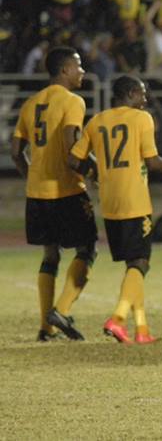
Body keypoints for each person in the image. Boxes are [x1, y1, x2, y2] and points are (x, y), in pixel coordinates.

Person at [68, 76, 162, 344]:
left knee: (132, 265)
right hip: (135, 201)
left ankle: (142, 329)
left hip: (110, 203)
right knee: (140, 262)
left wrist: (95, 172)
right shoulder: (142, 119)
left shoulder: (96, 121)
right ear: (130, 93)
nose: (145, 99)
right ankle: (118, 318)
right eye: (142, 93)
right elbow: (153, 162)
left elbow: (73, 159)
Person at [11, 47, 98, 342]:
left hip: (36, 192)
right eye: (78, 66)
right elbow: (71, 144)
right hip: (66, 189)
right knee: (87, 249)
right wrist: (93, 171)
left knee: (50, 254)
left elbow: (15, 152)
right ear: (64, 71)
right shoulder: (73, 102)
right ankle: (61, 310)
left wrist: (31, 175)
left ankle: (45, 329)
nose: (82, 71)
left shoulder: (30, 104)